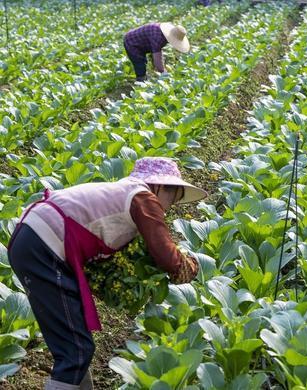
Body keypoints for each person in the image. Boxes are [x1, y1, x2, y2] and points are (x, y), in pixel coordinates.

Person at [7, 157, 207, 390]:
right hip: (43, 245)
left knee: (74, 345)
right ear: (160, 186)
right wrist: (189, 266)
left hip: (32, 241)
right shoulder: (143, 197)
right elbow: (168, 258)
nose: (169, 206)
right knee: (76, 350)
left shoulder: (123, 192)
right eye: (173, 197)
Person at [123, 22, 190, 82]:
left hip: (143, 42)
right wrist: (163, 72)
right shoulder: (158, 37)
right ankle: (140, 81)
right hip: (131, 42)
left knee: (152, 59)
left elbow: (158, 51)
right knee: (140, 64)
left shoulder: (164, 33)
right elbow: (157, 56)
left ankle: (150, 74)